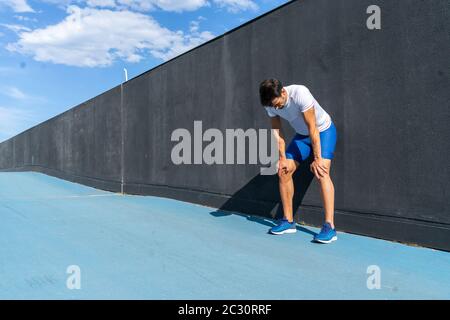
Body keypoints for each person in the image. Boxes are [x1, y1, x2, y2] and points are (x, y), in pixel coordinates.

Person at [259, 78, 338, 243]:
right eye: (272, 106)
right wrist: (282, 158)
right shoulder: (270, 103)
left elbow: (313, 128)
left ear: (283, 92)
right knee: (283, 171)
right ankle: (288, 221)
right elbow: (277, 133)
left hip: (323, 131)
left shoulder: (300, 93)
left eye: (278, 104)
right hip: (302, 137)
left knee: (322, 171)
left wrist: (317, 158)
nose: (276, 108)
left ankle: (329, 226)